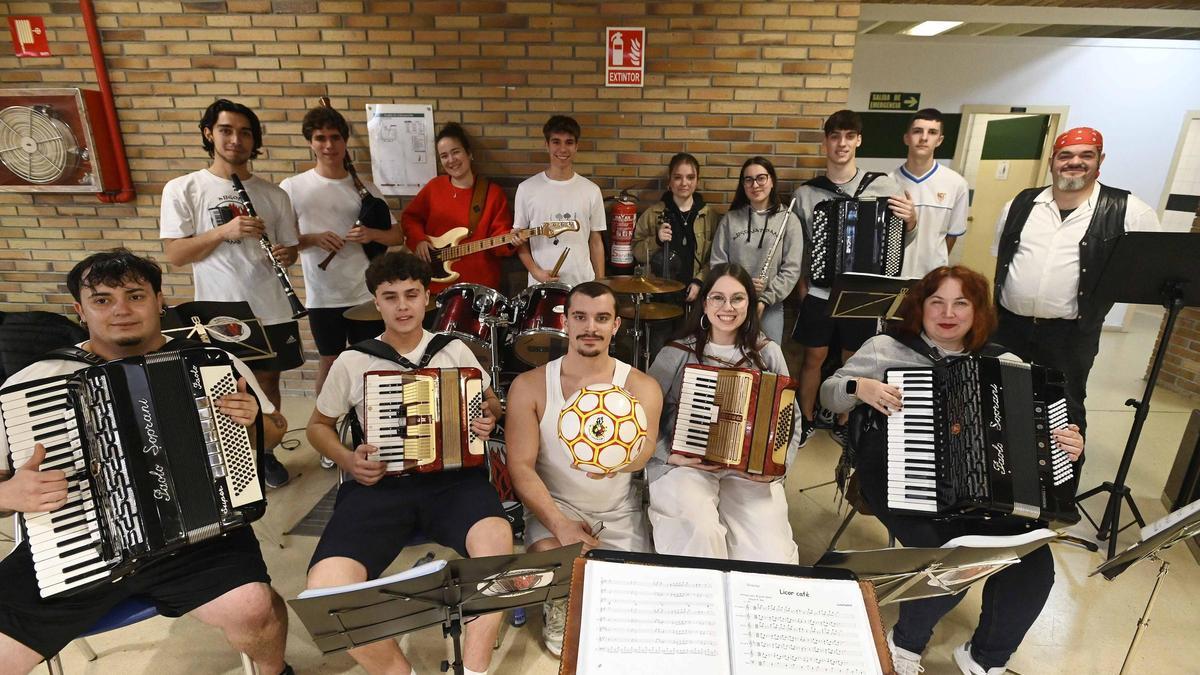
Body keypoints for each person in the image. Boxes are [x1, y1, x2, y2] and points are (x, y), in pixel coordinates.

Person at [0, 249, 291, 675]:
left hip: (200, 534)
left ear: (160, 300)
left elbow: (277, 431)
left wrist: (251, 423)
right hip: (72, 545)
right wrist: (9, 493)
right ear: (80, 311)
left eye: (135, 296)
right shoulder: (31, 383)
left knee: (255, 607)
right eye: (102, 300)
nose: (120, 310)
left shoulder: (212, 362)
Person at [819, 265, 1085, 675]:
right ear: (920, 308)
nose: (948, 312)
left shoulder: (1004, 363)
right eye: (936, 302)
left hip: (985, 499)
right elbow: (829, 396)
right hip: (897, 479)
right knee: (952, 553)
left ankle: (985, 658)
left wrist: (1067, 443)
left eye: (961, 303)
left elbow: (1036, 440)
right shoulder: (884, 348)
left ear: (977, 312)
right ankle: (905, 645)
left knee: (1034, 562)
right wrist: (859, 387)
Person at [305, 252, 510, 675]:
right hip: (379, 485)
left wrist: (488, 415)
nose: (402, 305)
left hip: (457, 481)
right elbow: (318, 427)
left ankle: (472, 671)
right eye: (390, 296)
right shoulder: (353, 361)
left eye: (411, 295)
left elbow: (489, 400)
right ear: (375, 302)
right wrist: (347, 458)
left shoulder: (453, 350)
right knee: (326, 590)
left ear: (427, 299)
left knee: (496, 553)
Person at [505, 281, 663, 657]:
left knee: (631, 616)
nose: (590, 327)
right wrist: (559, 524)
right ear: (566, 321)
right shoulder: (530, 386)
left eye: (601, 318)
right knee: (559, 568)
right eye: (580, 317)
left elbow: (644, 453)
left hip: (619, 514)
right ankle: (557, 601)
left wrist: (619, 461)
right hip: (556, 510)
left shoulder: (642, 386)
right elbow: (521, 467)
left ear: (616, 326)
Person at [160, 98, 300, 488]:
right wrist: (225, 231)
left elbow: (288, 249)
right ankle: (234, 459)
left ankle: (265, 451)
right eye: (226, 130)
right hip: (219, 311)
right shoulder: (184, 189)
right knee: (225, 388)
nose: (235, 139)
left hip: (271, 306)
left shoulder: (275, 195)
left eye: (244, 132)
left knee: (268, 384)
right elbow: (174, 255)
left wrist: (286, 254)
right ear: (209, 133)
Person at [992, 126, 1160, 435]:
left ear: (1100, 160)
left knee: (1063, 408)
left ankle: (1061, 480)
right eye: (1065, 155)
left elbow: (1150, 270)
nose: (1074, 162)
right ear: (1052, 161)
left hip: (1070, 335)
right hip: (1008, 327)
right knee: (999, 401)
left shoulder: (1128, 210)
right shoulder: (1020, 204)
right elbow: (1001, 256)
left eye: (1086, 155)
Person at [645, 263, 799, 564]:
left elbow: (791, 419)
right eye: (717, 298)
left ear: (749, 305)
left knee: (771, 553)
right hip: (685, 465)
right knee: (699, 534)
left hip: (748, 472)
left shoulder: (768, 353)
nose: (727, 307)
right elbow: (641, 418)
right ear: (705, 303)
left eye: (737, 298)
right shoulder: (676, 352)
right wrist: (666, 454)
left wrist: (778, 466)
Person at [791, 109, 917, 447]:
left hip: (863, 290)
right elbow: (798, 245)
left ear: (859, 140)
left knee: (853, 358)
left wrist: (912, 222)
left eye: (849, 136)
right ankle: (806, 418)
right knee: (813, 357)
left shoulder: (884, 185)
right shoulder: (807, 194)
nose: (842, 143)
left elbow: (899, 238)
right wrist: (802, 285)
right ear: (825, 143)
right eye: (835, 137)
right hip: (820, 290)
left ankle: (844, 420)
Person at [282, 103, 399, 395]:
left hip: (364, 294)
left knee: (372, 361)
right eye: (320, 138)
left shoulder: (367, 189)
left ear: (344, 141)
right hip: (322, 296)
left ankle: (368, 423)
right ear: (310, 142)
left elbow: (398, 236)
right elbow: (284, 244)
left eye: (335, 137)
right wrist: (313, 239)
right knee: (330, 361)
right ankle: (325, 427)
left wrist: (371, 233)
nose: (328, 145)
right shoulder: (293, 187)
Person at [401, 122, 516, 296]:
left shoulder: (492, 193)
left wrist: (511, 242)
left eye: (456, 152)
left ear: (469, 153)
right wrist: (419, 240)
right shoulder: (434, 188)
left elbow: (499, 242)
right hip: (435, 287)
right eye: (444, 156)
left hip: (480, 289)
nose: (451, 160)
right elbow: (410, 218)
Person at [709, 157, 803, 345]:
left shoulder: (789, 220)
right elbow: (717, 263)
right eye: (749, 179)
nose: (755, 185)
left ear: (771, 181)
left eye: (761, 178)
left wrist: (765, 299)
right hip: (731, 303)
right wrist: (740, 285)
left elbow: (791, 269)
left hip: (769, 307)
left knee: (766, 364)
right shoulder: (730, 219)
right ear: (743, 184)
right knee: (729, 359)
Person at [513, 115, 607, 287]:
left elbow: (596, 241)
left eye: (569, 142)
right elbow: (519, 240)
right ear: (546, 145)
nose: (562, 149)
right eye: (556, 142)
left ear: (576, 146)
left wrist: (599, 283)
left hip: (582, 284)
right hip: (541, 286)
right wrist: (535, 272)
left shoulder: (591, 190)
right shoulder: (526, 189)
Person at [891, 108, 970, 277]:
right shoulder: (887, 183)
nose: (924, 138)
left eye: (932, 132)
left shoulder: (957, 184)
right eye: (917, 131)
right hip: (893, 277)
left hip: (932, 279)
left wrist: (935, 265)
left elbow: (952, 236)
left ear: (939, 140)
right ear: (906, 138)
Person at [631, 152, 715, 303]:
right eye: (677, 177)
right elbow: (637, 252)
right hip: (658, 296)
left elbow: (716, 257)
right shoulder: (653, 214)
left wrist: (699, 281)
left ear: (697, 181)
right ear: (669, 181)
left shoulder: (708, 216)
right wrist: (656, 240)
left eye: (690, 177)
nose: (684, 183)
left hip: (695, 294)